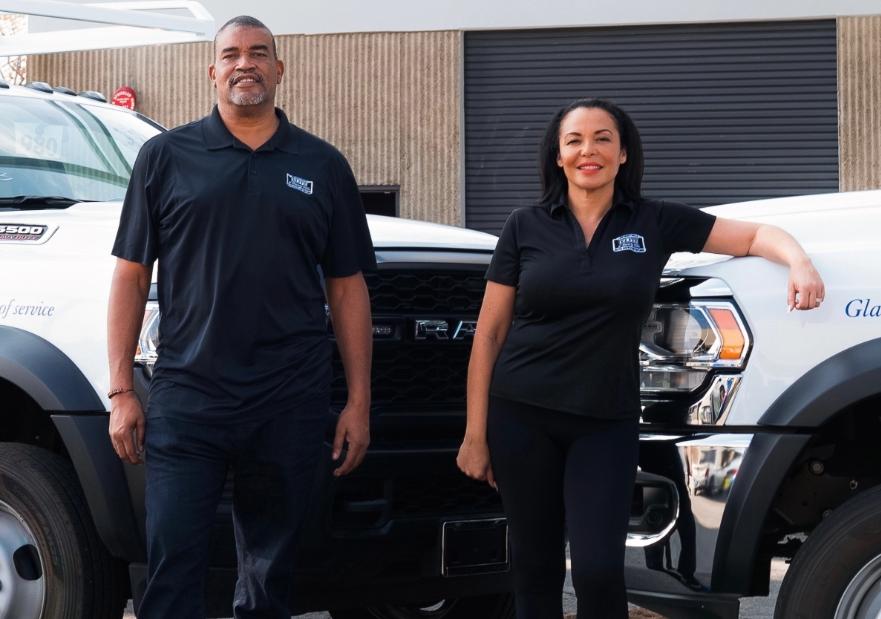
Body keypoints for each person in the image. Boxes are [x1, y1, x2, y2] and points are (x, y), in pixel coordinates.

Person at [456, 98, 824, 618]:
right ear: (558, 156)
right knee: (534, 570)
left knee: (598, 571)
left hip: (604, 423)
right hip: (521, 416)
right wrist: (475, 434)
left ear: (623, 153)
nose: (590, 150)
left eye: (604, 138)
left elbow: (754, 235)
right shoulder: (524, 226)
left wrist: (799, 262)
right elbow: (489, 335)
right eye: (575, 140)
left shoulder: (654, 222)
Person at [107, 15, 375, 619]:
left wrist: (358, 401)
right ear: (213, 70)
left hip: (290, 399)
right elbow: (130, 274)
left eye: (258, 53)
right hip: (188, 395)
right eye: (231, 54)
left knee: (270, 570)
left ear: (280, 69)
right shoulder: (165, 156)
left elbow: (348, 286)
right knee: (173, 560)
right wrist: (122, 388)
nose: (244, 63)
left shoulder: (323, 164)